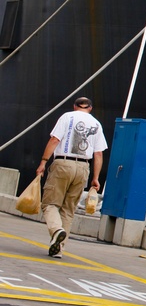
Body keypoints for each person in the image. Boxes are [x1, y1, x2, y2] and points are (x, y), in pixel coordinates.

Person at [35, 96, 107, 257]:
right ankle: (59, 249)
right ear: (90, 108)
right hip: (83, 167)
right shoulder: (96, 124)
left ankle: (56, 230)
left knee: (50, 204)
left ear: (75, 106)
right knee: (68, 210)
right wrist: (95, 178)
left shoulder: (67, 117)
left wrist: (43, 162)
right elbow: (99, 154)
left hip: (63, 164)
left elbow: (55, 140)